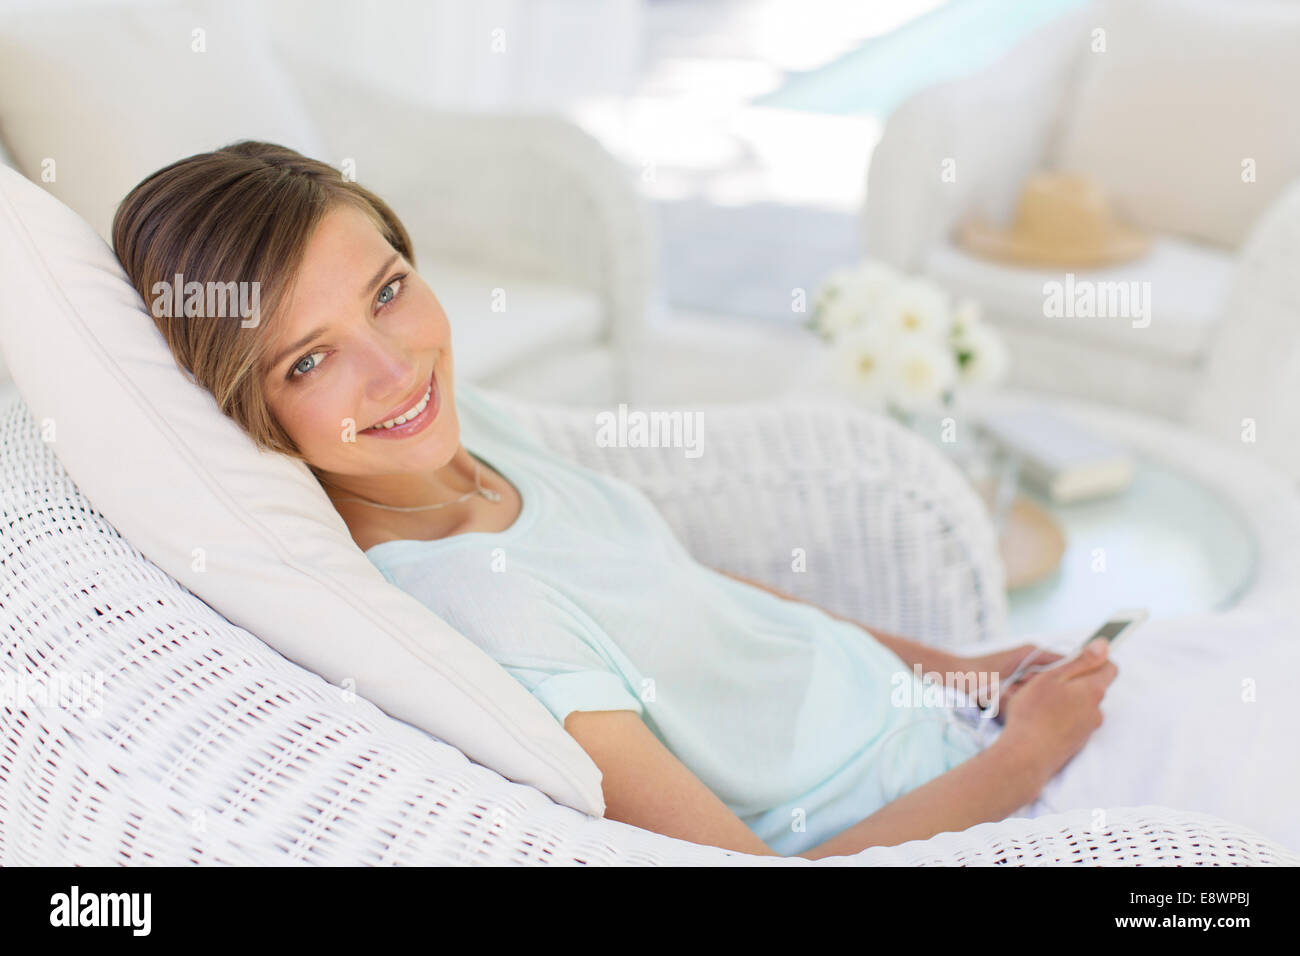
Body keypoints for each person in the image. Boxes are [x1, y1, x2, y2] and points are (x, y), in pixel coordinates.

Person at [111, 141, 1118, 860]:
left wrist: (958, 671)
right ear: (252, 407)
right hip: (960, 812)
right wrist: (1026, 758)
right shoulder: (480, 604)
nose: (396, 367)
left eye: (386, 289)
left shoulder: (469, 434)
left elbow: (680, 587)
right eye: (312, 358)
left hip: (963, 727)